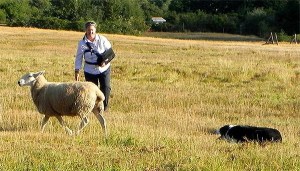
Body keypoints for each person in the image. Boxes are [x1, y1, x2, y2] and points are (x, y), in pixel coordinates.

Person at [75, 21, 112, 111]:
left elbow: (110, 52)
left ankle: (104, 108)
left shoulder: (102, 39)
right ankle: (95, 109)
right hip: (89, 70)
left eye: (92, 30)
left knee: (106, 87)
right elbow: (79, 57)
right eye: (88, 30)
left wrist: (105, 61)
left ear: (95, 30)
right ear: (86, 30)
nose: (90, 32)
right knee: (92, 91)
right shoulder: (82, 43)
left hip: (104, 68)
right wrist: (77, 70)